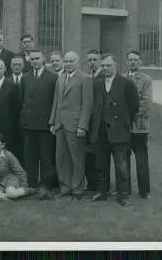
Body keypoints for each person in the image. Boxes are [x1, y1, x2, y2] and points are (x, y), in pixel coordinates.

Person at [89, 54, 139, 207]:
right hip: (101, 130)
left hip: (119, 132)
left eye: (108, 65)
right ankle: (102, 192)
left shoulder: (126, 83)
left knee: (121, 165)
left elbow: (134, 106)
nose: (105, 68)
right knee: (101, 164)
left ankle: (122, 195)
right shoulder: (96, 83)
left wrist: (123, 123)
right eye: (103, 66)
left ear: (116, 66)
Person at [49, 51, 93, 200]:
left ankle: (78, 188)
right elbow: (56, 102)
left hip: (75, 125)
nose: (68, 64)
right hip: (60, 124)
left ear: (78, 62)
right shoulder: (60, 78)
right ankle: (65, 186)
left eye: (71, 61)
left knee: (77, 158)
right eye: (66, 61)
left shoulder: (85, 79)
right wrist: (53, 122)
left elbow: (87, 105)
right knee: (61, 158)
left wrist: (82, 126)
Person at [20, 50, 59, 199]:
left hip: (45, 125)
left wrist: (52, 122)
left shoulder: (52, 78)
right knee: (30, 157)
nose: (34, 61)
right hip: (28, 125)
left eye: (37, 58)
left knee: (46, 158)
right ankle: (32, 185)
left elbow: (55, 103)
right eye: (32, 59)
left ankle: (46, 185)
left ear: (43, 60)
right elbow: (21, 100)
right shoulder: (25, 77)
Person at [124, 50, 153, 199]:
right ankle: (125, 189)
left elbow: (146, 103)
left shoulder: (146, 80)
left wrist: (129, 115)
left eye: (135, 60)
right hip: (123, 127)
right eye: (130, 60)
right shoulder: (121, 78)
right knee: (124, 158)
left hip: (139, 126)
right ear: (126, 62)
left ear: (140, 62)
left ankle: (144, 191)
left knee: (141, 159)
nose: (132, 62)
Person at [84, 49, 103, 192]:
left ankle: (100, 186)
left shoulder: (103, 77)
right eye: (89, 60)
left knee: (99, 157)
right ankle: (91, 184)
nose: (91, 63)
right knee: (88, 155)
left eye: (94, 60)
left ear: (100, 61)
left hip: (100, 123)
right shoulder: (87, 76)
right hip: (88, 122)